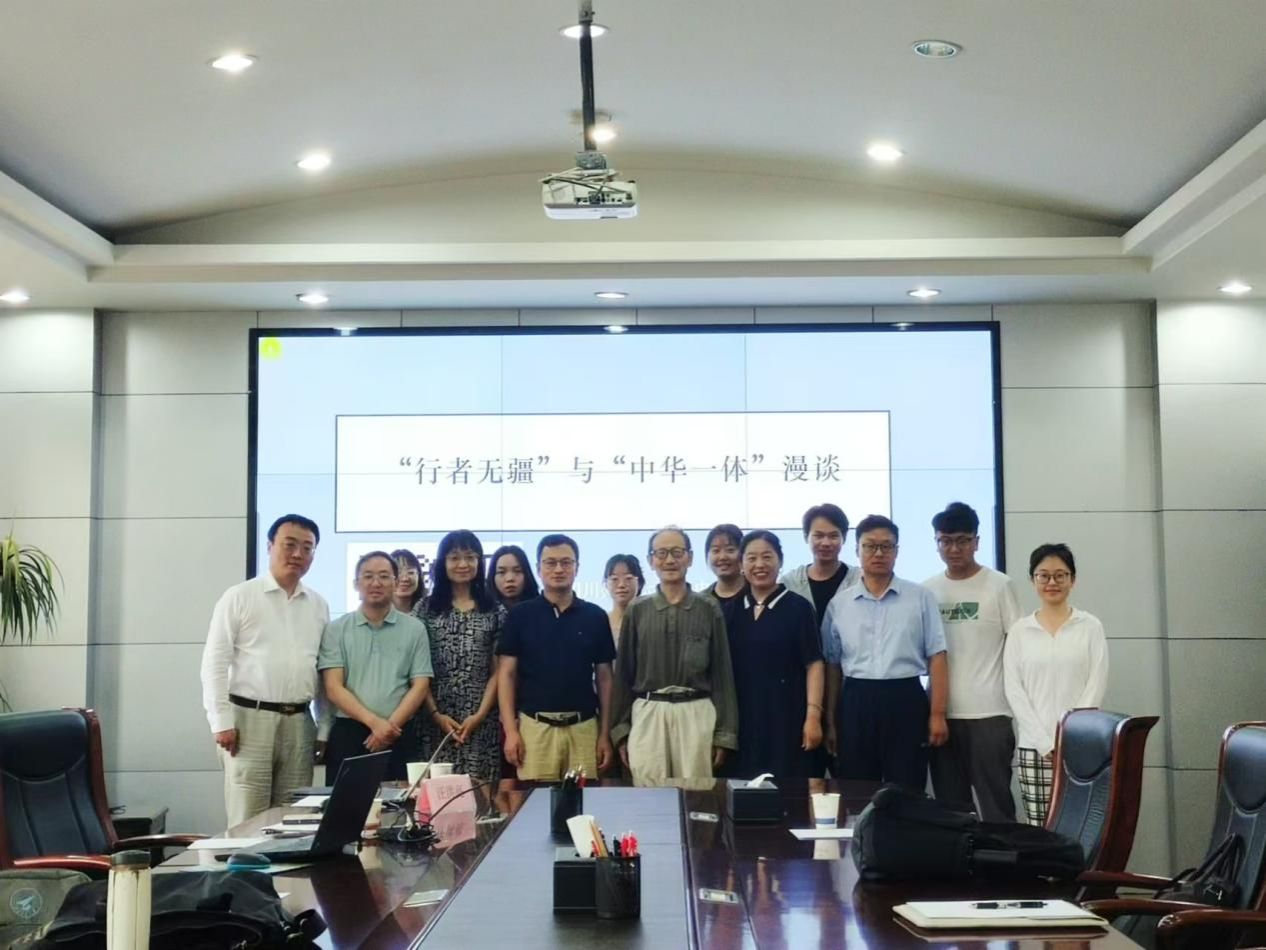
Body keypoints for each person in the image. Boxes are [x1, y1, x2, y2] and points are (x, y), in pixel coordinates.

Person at [200, 514, 331, 826]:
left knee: (294, 819)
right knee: (248, 819)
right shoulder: (239, 596)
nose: (298, 554)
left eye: (307, 548)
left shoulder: (318, 605)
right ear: (270, 546)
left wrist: (324, 727)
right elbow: (214, 662)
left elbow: (321, 671)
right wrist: (221, 721)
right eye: (290, 545)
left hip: (299, 722)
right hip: (248, 722)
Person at [821, 514, 948, 789]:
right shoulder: (839, 605)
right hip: (855, 700)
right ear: (857, 550)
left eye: (886, 546)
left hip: (905, 698)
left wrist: (937, 714)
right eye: (870, 546)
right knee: (856, 787)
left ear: (897, 551)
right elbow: (832, 666)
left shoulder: (920, 597)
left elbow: (937, 655)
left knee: (907, 786)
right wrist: (830, 721)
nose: (878, 553)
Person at [611, 526, 740, 786]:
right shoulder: (638, 609)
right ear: (651, 561)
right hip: (649, 713)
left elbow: (722, 674)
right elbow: (624, 674)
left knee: (696, 796)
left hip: (696, 712)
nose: (669, 560)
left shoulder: (708, 607)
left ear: (689, 558)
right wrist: (621, 731)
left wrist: (724, 734)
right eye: (661, 553)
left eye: (677, 552)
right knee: (648, 797)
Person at [922, 502, 1021, 821]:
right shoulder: (927, 591)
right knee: (951, 811)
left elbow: (1018, 646)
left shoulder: (1000, 585)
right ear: (936, 543)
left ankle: (1003, 857)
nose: (954, 549)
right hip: (941, 716)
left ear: (977, 542)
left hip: (989, 714)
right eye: (946, 541)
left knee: (996, 808)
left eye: (963, 540)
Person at [1004, 543, 1109, 825]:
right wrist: (1043, 743)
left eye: (1060, 575)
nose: (1052, 582)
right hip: (1034, 747)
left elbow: (1096, 683)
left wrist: (1070, 737)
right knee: (1041, 828)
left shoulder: (1090, 626)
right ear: (1033, 579)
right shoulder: (1020, 631)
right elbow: (1014, 690)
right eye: (1044, 575)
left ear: (1072, 580)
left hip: (1080, 745)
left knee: (1080, 824)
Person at [496, 534, 616, 780]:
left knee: (584, 802)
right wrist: (510, 731)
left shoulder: (595, 616)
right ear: (538, 568)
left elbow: (605, 678)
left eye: (566, 562)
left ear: (577, 567)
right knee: (534, 801)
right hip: (534, 729)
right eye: (550, 563)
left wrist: (604, 734)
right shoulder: (520, 615)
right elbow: (506, 675)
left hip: (584, 729)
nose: (558, 569)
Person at [318, 551, 433, 780]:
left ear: (395, 582)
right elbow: (333, 687)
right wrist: (375, 724)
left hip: (398, 731)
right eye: (368, 576)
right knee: (348, 801)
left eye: (384, 576)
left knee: (402, 801)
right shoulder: (336, 629)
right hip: (350, 731)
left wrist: (388, 727)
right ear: (356, 583)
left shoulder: (415, 629)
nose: (376, 583)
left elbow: (420, 685)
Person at [727, 530, 825, 778]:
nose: (759, 564)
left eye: (767, 557)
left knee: (789, 791)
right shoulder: (730, 611)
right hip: (743, 722)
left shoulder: (798, 607)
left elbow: (814, 664)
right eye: (751, 558)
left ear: (780, 561)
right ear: (741, 565)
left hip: (788, 718)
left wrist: (813, 716)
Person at [414, 530, 505, 784]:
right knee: (435, 794)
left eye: (470, 557)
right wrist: (435, 714)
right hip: (433, 719)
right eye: (454, 558)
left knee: (480, 794)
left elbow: (498, 670)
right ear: (442, 563)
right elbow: (416, 668)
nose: (463, 564)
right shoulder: (425, 608)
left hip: (480, 720)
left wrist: (479, 715)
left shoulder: (494, 609)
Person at [780, 503, 855, 627]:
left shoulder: (858, 580)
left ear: (844, 538)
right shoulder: (790, 583)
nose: (826, 543)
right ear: (806, 537)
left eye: (833, 536)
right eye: (818, 536)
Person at [704, 523, 746, 624]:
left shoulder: (757, 594)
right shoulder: (701, 601)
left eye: (730, 550)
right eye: (716, 551)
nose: (722, 557)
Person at [604, 554, 645, 648]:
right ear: (606, 583)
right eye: (614, 579)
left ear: (639, 582)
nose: (621, 585)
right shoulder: (600, 622)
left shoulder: (649, 620)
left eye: (628, 578)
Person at [486, 544, 539, 608]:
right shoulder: (483, 610)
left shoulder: (541, 608)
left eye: (517, 571)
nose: (510, 579)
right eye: (501, 572)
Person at [391, 548, 426, 615]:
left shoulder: (430, 613)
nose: (405, 579)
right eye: (398, 572)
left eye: (410, 572)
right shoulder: (376, 613)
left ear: (419, 576)